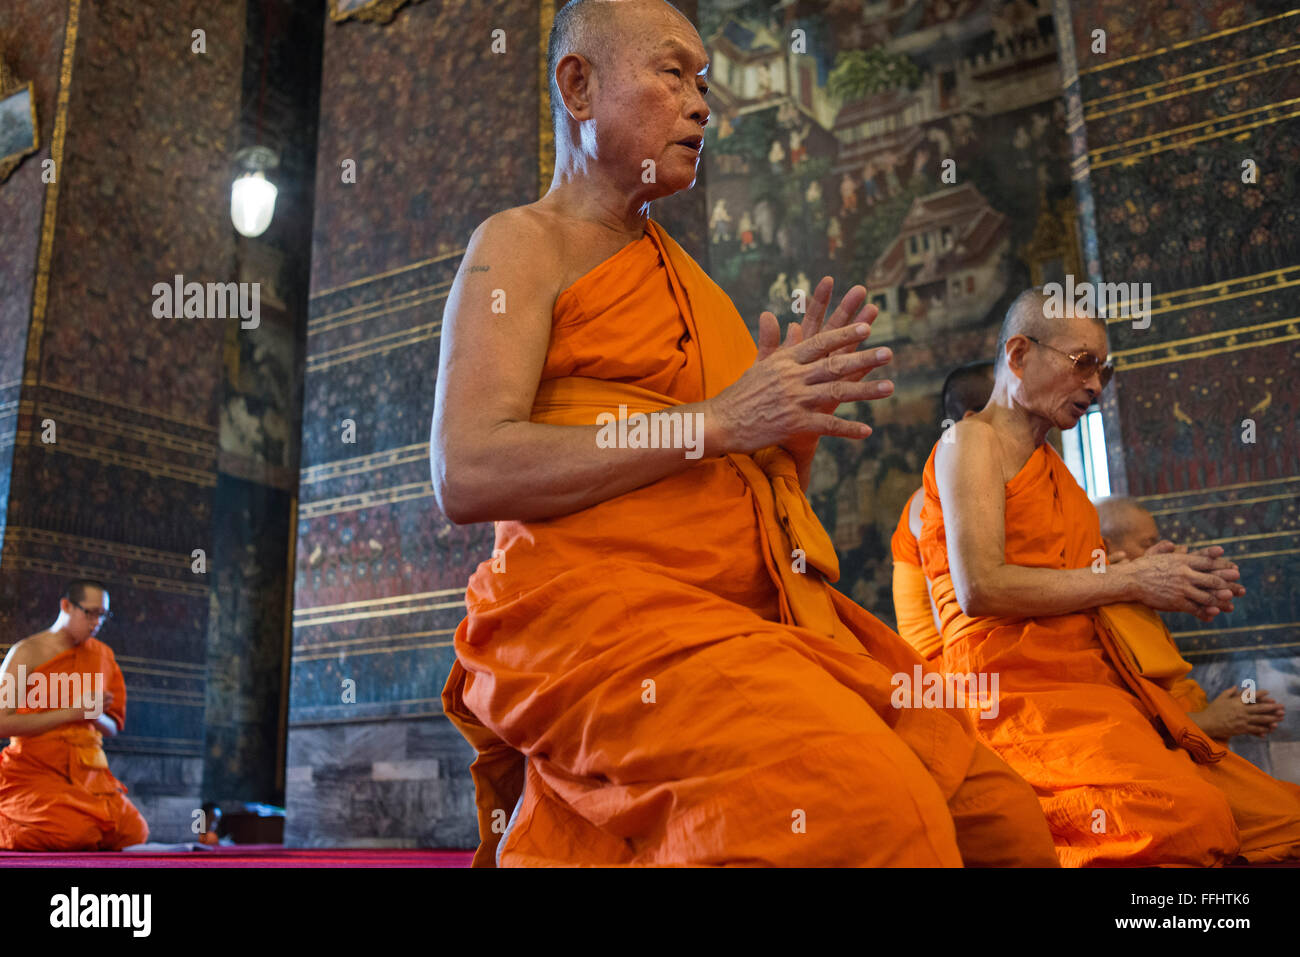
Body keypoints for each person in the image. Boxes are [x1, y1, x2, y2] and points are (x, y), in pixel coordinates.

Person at [434, 0, 1058, 867]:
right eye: (673, 73)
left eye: (705, 81)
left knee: (1005, 824)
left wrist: (783, 436)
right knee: (882, 815)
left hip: (755, 618)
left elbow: (732, 490)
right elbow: (466, 470)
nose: (702, 104)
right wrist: (722, 419)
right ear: (578, 85)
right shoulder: (518, 246)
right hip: (603, 619)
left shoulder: (697, 287)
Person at [919, 287, 1300, 866]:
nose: (1096, 385)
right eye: (1083, 364)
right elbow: (982, 587)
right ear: (1019, 355)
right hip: (1019, 696)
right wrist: (1133, 581)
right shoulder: (970, 441)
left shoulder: (1061, 476)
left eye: (1104, 370)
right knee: (1189, 823)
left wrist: (1164, 576)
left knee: (1283, 819)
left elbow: (1065, 577)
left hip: (1099, 691)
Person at [1097, 496, 1287, 740]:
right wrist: (1209, 721)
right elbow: (1112, 730)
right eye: (1148, 544)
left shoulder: (1135, 609)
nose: (1164, 555)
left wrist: (1223, 714)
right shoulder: (1093, 619)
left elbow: (1162, 702)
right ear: (1106, 547)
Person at [0, 580, 148, 851]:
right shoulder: (26, 653)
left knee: (134, 831)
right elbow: (1, 722)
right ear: (66, 606)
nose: (96, 622)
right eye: (90, 613)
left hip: (89, 773)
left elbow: (112, 726)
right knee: (74, 832)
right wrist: (72, 712)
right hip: (35, 770)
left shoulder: (103, 656)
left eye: (103, 615)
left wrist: (92, 713)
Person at [892, 360, 994, 660]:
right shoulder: (932, 499)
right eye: (1007, 410)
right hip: (946, 671)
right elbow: (954, 620)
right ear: (972, 418)